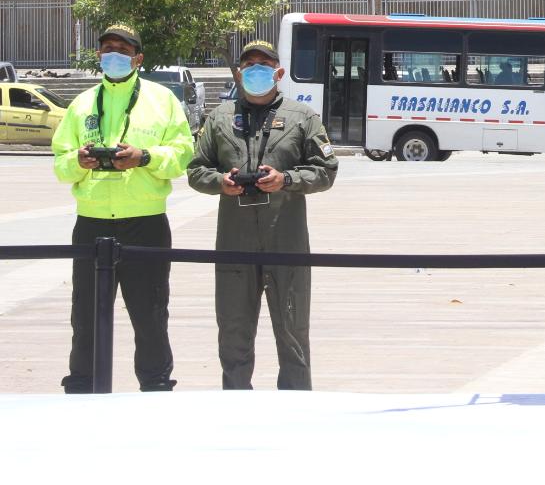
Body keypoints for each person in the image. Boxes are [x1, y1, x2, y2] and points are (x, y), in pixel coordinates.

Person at [51, 25, 194, 393]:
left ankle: (156, 385)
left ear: (138, 58)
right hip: (92, 221)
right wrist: (79, 163)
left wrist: (144, 157)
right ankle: (82, 386)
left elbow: (181, 155)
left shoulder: (163, 100)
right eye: (106, 49)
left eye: (122, 48)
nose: (113, 54)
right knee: (85, 315)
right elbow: (60, 161)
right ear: (98, 56)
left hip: (144, 221)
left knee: (150, 314)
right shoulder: (82, 104)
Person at [187, 40, 339, 389]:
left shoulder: (303, 117)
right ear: (239, 73)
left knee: (293, 330)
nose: (257, 70)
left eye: (264, 64)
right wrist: (220, 182)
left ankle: (296, 405)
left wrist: (286, 180)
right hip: (234, 241)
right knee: (233, 332)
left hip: (285, 238)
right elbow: (196, 170)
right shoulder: (220, 118)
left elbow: (326, 170)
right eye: (249, 64)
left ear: (278, 72)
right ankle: (237, 404)